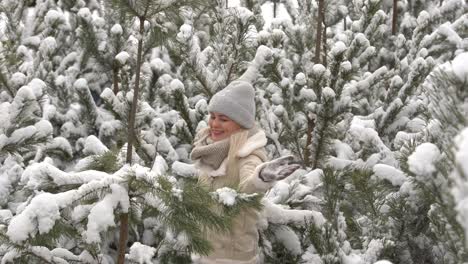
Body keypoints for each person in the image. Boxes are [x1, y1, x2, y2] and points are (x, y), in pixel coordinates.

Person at [190, 80, 300, 264]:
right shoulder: (211, 149)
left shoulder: (249, 153)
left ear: (241, 123)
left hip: (233, 257)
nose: (214, 124)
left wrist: (260, 178)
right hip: (205, 253)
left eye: (223, 119)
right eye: (213, 116)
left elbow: (246, 188)